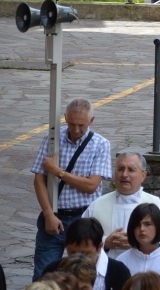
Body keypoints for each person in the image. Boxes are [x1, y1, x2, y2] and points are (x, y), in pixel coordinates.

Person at [30, 98, 112, 281]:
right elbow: (38, 179)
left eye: (81, 125)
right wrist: (49, 214)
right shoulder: (52, 139)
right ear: (65, 118)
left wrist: (58, 172)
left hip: (82, 218)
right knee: (43, 275)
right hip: (53, 217)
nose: (75, 130)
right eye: (71, 124)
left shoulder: (100, 144)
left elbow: (91, 186)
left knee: (83, 275)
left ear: (91, 120)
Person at [82, 152, 160, 259]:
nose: (124, 174)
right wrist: (106, 242)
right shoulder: (97, 205)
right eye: (120, 169)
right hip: (107, 271)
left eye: (131, 170)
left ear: (143, 175)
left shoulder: (157, 206)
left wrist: (141, 243)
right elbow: (80, 239)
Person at [41, 217, 131, 290]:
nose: (77, 257)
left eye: (85, 253)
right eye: (72, 252)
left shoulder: (119, 271)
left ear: (99, 247)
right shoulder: (53, 269)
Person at [116, 203, 160, 276]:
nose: (142, 229)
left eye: (147, 224)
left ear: (157, 226)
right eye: (137, 225)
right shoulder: (122, 261)